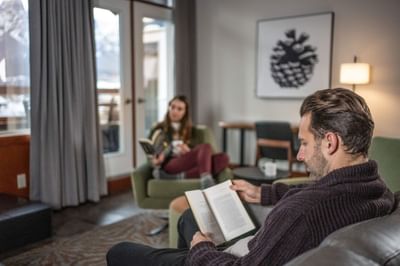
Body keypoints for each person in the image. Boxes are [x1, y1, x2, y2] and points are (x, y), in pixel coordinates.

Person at [107, 88, 396, 266]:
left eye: (304, 143)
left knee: (119, 252)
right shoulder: (378, 189)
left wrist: (202, 250)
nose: (299, 155)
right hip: (262, 247)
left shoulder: (302, 213)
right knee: (187, 218)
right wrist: (265, 194)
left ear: (330, 142)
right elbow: (324, 191)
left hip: (232, 258)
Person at [147, 95, 229, 188]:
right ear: (169, 108)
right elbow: (150, 152)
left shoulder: (193, 131)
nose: (175, 111)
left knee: (223, 158)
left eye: (179, 109)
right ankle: (206, 182)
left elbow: (203, 154)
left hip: (188, 161)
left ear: (185, 112)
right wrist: (155, 161)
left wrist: (188, 150)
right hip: (170, 163)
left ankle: (175, 177)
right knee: (206, 146)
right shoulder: (158, 128)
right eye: (172, 107)